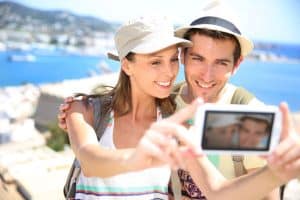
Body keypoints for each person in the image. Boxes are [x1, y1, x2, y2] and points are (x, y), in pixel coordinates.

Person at [62, 16, 192, 199]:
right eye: (156, 62)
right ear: (127, 66)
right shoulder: (84, 109)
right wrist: (134, 159)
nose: (170, 72)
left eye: (173, 59)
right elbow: (89, 162)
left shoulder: (175, 122)